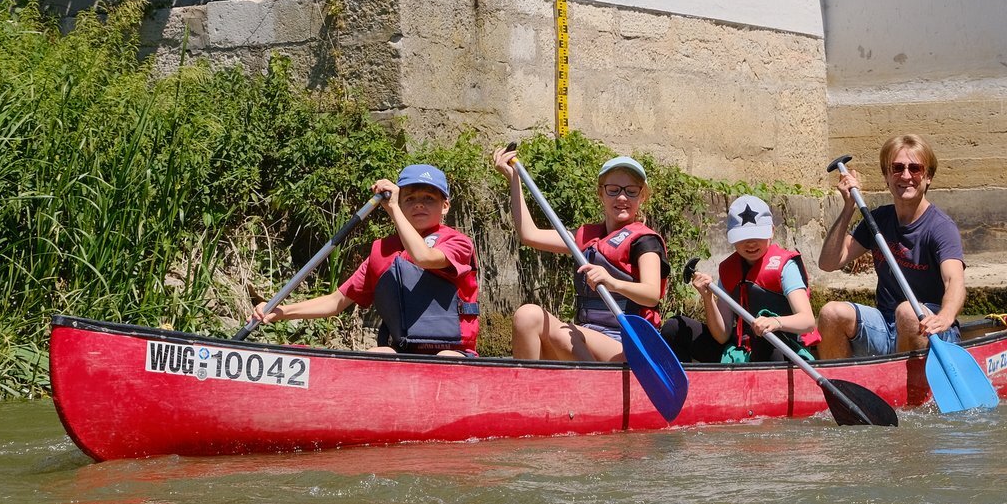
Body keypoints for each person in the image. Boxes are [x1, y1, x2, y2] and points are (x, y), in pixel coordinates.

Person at [250, 164, 479, 357]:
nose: (419, 204)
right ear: (400, 203)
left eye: (429, 198)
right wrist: (281, 311)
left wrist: (393, 210)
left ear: (445, 206)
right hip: (404, 352)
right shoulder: (382, 252)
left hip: (454, 351)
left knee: (444, 358)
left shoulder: (457, 243)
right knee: (380, 354)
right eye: (409, 199)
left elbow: (423, 257)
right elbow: (336, 301)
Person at [492, 146, 670, 362]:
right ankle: (530, 391)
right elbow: (529, 235)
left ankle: (593, 388)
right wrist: (514, 179)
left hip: (630, 343)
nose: (622, 197)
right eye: (613, 189)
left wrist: (612, 282)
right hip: (586, 334)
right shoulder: (585, 236)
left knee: (562, 334)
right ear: (600, 193)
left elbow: (651, 295)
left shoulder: (645, 241)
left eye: (631, 191)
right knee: (527, 316)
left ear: (642, 196)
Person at [815, 134, 965, 359]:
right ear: (887, 175)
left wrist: (945, 316)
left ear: (928, 176)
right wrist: (848, 208)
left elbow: (954, 281)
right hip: (885, 326)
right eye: (897, 168)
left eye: (915, 168)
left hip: (931, 328)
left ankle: (910, 388)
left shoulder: (941, 227)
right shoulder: (877, 220)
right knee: (830, 313)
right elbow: (829, 263)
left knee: (907, 311)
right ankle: (842, 387)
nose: (906, 176)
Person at [662, 195, 819, 363]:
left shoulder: (786, 267)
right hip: (740, 351)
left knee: (766, 336)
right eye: (743, 237)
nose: (750, 244)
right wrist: (707, 298)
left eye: (757, 235)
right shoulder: (729, 270)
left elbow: (808, 321)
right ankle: (687, 385)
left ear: (771, 231)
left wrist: (775, 322)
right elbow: (722, 336)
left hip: (781, 349)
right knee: (674, 327)